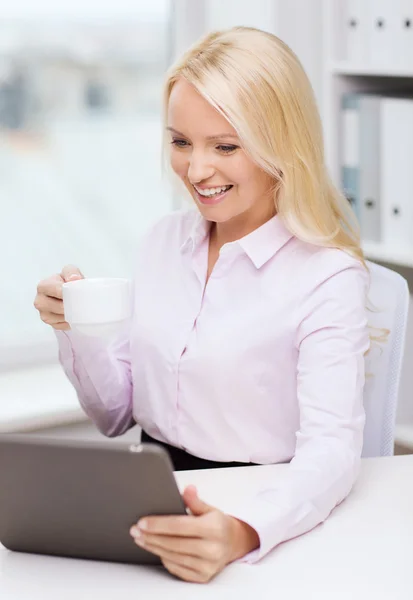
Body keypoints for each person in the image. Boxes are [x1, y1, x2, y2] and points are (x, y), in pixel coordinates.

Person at [34, 27, 370, 584]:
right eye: (181, 142)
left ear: (281, 144)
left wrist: (242, 529)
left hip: (261, 513)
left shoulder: (328, 275)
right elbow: (116, 415)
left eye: (226, 146)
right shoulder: (162, 241)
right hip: (150, 502)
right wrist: (75, 329)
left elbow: (332, 453)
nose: (196, 171)